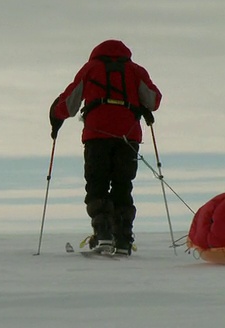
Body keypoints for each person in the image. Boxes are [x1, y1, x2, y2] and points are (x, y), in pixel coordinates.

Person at [49, 39, 162, 255]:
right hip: (128, 137)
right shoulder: (135, 70)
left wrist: (56, 114)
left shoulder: (91, 68)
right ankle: (123, 240)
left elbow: (69, 104)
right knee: (123, 185)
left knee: (97, 184)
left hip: (97, 135)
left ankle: (103, 236)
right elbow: (154, 100)